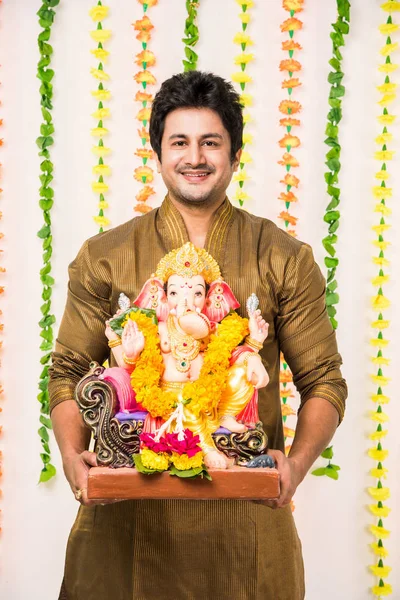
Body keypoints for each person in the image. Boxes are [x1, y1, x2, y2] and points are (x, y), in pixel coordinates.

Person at [49, 70, 347, 600]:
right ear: (157, 153)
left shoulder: (282, 257)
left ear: (233, 154)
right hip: (126, 525)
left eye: (211, 142)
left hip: (246, 529)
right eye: (179, 142)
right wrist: (75, 460)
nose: (195, 157)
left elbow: (324, 380)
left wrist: (294, 467)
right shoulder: (105, 257)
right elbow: (68, 373)